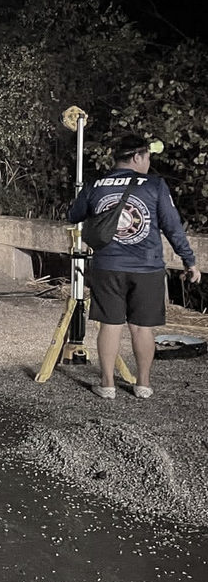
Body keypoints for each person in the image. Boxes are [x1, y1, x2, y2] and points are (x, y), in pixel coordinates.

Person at [69, 133, 201, 399]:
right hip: (147, 267)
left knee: (110, 325)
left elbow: (74, 215)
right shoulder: (154, 185)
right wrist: (189, 260)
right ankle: (143, 384)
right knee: (142, 327)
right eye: (148, 157)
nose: (149, 163)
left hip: (108, 266)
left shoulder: (96, 184)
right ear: (137, 157)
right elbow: (173, 227)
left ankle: (107, 385)